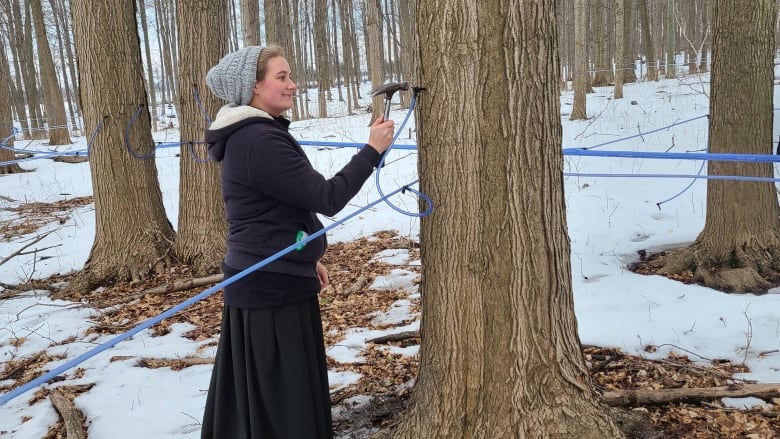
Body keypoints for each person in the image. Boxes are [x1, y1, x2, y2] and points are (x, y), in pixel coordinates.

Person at [200, 45, 395, 438]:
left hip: (270, 274)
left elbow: (277, 209)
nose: (293, 84)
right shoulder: (258, 140)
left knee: (268, 391)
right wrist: (372, 150)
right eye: (282, 77)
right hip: (269, 286)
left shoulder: (255, 133)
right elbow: (327, 198)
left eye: (290, 76)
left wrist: (307, 256)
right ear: (253, 87)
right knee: (281, 394)